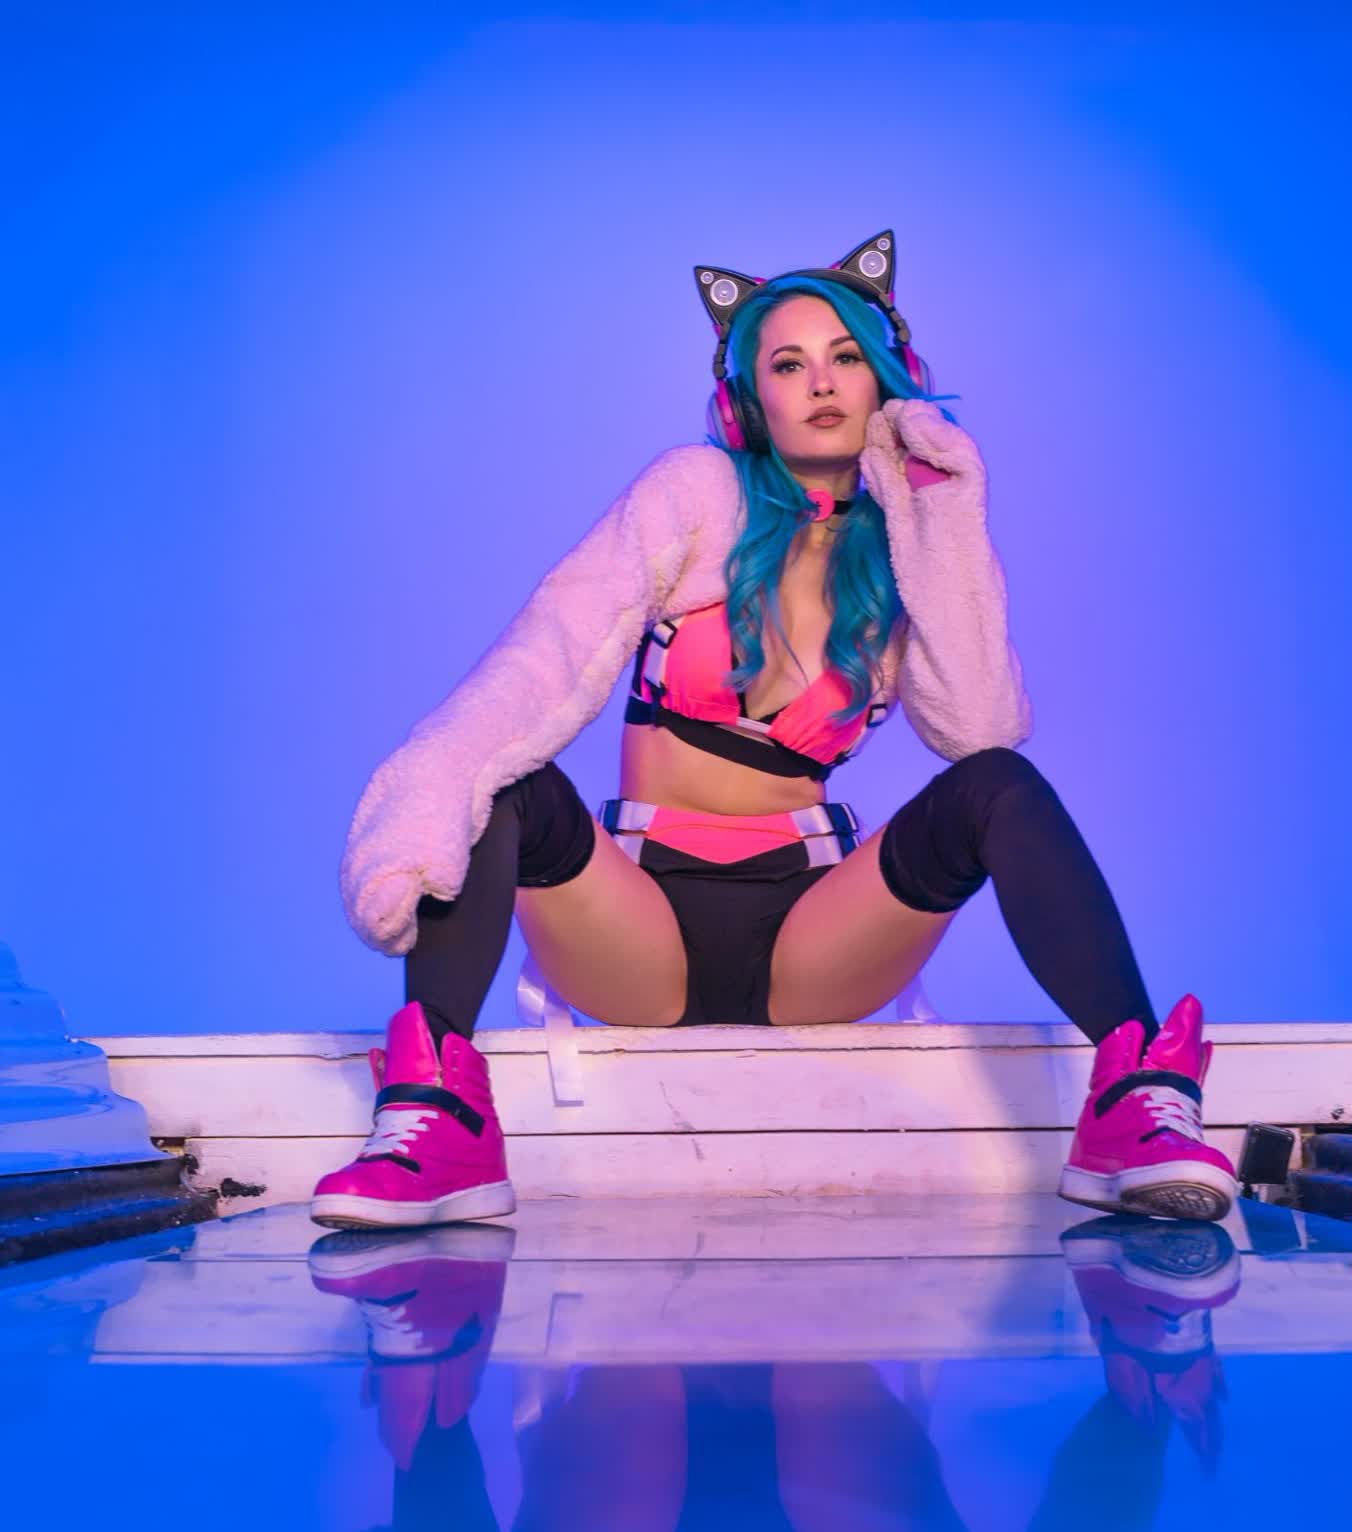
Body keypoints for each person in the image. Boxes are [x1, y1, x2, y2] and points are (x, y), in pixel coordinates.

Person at [314, 228, 1238, 1230]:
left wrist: (942, 512)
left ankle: (1136, 1105)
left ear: (885, 377)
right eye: (788, 364)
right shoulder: (695, 495)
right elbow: (549, 655)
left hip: (812, 932)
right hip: (638, 922)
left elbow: (976, 725)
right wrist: (428, 789)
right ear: (747, 400)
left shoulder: (904, 547)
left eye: (846, 357)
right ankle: (436, 1124)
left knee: (1000, 788)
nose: (822, 382)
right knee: (506, 780)